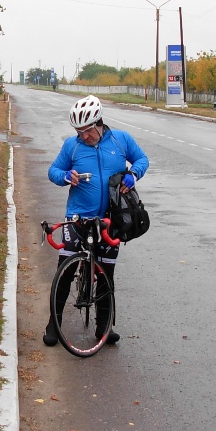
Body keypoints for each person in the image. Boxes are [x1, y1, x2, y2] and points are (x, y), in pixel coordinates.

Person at [44, 95, 149, 346]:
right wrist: (66, 176)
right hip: (78, 217)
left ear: (99, 123)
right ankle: (53, 324)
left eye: (87, 130)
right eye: (79, 131)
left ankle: (104, 327)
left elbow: (142, 160)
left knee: (106, 274)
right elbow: (53, 171)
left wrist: (133, 174)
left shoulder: (121, 140)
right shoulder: (72, 146)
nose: (84, 136)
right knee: (65, 270)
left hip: (110, 219)